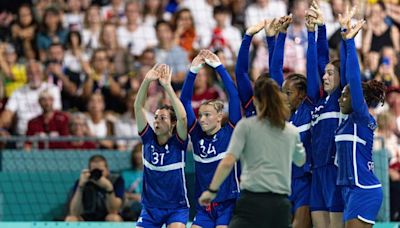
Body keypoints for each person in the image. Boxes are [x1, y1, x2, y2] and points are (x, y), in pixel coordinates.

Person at [199, 75, 305, 227]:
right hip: (279, 204)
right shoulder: (291, 131)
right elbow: (300, 160)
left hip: (250, 202)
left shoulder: (245, 126)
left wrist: (211, 190)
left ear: (255, 100)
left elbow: (228, 161)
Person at [180, 50, 241, 228]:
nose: (202, 119)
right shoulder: (196, 134)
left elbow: (235, 96)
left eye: (207, 115)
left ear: (219, 116)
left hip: (228, 204)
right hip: (204, 207)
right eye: (200, 115)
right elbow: (184, 101)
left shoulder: (230, 131)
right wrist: (193, 71)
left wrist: (218, 67)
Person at [336, 14, 385, 227]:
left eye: (346, 95)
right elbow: (347, 77)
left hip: (364, 190)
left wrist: (350, 42)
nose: (341, 97)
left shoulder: (362, 117)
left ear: (359, 100)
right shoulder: (345, 122)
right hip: (348, 189)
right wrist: (344, 34)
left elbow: (353, 80)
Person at [266, 15, 314, 228]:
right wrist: (280, 35)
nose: (283, 96)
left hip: (305, 182)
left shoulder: (309, 106)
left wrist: (313, 33)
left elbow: (313, 66)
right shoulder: (282, 114)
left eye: (288, 92)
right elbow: (274, 70)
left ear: (302, 94)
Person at [134, 64, 189, 228]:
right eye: (156, 117)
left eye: (163, 118)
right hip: (150, 209)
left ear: (172, 124)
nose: (157, 121)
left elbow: (183, 118)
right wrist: (146, 81)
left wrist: (167, 86)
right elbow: (138, 107)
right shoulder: (148, 139)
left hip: (176, 208)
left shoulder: (178, 143)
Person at [306, 2, 345, 227]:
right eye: (325, 74)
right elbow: (317, 61)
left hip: (334, 170)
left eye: (331, 73)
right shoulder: (319, 100)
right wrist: (313, 30)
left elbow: (326, 58)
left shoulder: (341, 99)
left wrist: (324, 30)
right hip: (316, 171)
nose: (325, 76)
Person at [65, 154, 124, 221]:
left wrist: (109, 187)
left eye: (100, 171)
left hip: (106, 216)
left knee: (114, 218)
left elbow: (114, 211)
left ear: (107, 170)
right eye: (94, 171)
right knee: (71, 219)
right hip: (86, 217)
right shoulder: (82, 182)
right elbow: (74, 212)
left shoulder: (116, 181)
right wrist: (80, 187)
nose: (97, 174)